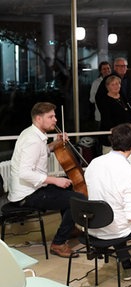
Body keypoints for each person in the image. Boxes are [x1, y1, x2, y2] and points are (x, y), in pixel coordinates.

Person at [8, 102, 86, 258]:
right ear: (38, 118)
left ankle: (69, 228)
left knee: (69, 189)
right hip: (27, 195)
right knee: (77, 199)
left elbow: (43, 151)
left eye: (55, 116)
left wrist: (56, 144)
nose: (55, 120)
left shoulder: (32, 133)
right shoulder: (33, 141)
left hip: (31, 189)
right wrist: (54, 180)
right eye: (50, 117)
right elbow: (25, 173)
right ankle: (58, 243)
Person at [85, 123, 131, 281]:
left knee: (114, 212)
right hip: (115, 230)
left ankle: (126, 265)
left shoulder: (94, 163)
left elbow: (106, 188)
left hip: (93, 227)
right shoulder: (129, 172)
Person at [97, 75, 131, 153]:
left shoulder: (123, 97)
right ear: (107, 87)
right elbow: (106, 119)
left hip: (125, 136)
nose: (116, 86)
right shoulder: (105, 100)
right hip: (112, 137)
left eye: (117, 83)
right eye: (113, 84)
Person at [89, 61, 112, 125]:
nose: (106, 70)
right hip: (100, 117)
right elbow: (92, 99)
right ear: (100, 71)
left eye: (108, 68)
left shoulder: (115, 82)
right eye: (104, 69)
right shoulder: (96, 83)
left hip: (112, 116)